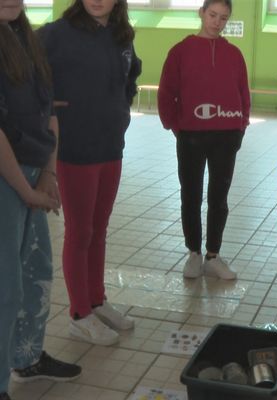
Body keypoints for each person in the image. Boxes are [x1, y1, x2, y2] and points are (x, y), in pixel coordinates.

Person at [38, 0, 142, 346]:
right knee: (79, 232)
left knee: (99, 230)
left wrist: (121, 111)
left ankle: (97, 301)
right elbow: (20, 68)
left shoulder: (121, 35)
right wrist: (42, 104)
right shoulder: (57, 34)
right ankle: (79, 315)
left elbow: (129, 79)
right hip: (75, 150)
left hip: (111, 146)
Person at [0, 2, 82, 398]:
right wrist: (26, 190)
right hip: (8, 176)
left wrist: (48, 174)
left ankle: (25, 357)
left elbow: (49, 110)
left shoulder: (25, 37)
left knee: (35, 273)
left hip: (33, 169)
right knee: (5, 287)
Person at [158, 0, 250, 280]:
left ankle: (213, 255)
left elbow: (243, 94)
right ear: (201, 13)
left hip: (226, 135)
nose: (217, 22)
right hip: (191, 136)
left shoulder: (234, 54)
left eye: (223, 18)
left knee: (218, 198)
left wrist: (240, 126)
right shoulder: (180, 51)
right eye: (212, 15)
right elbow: (166, 92)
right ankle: (194, 254)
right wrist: (175, 125)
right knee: (191, 195)